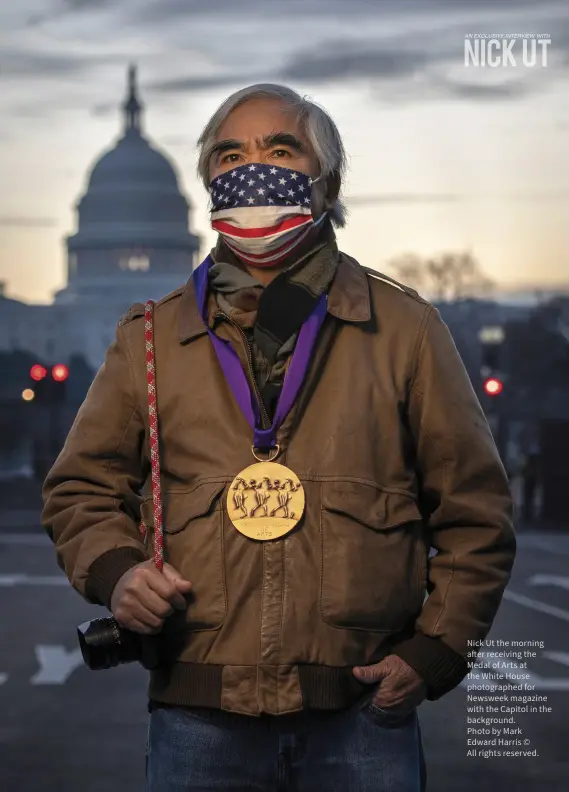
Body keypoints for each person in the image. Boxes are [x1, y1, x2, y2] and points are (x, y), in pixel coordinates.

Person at [42, 83, 517, 792]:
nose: (252, 169)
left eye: (280, 149)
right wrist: (119, 572)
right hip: (198, 714)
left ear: (325, 184)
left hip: (360, 712)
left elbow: (474, 511)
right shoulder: (148, 338)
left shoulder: (406, 329)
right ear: (207, 186)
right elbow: (81, 487)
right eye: (230, 154)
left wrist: (437, 650)